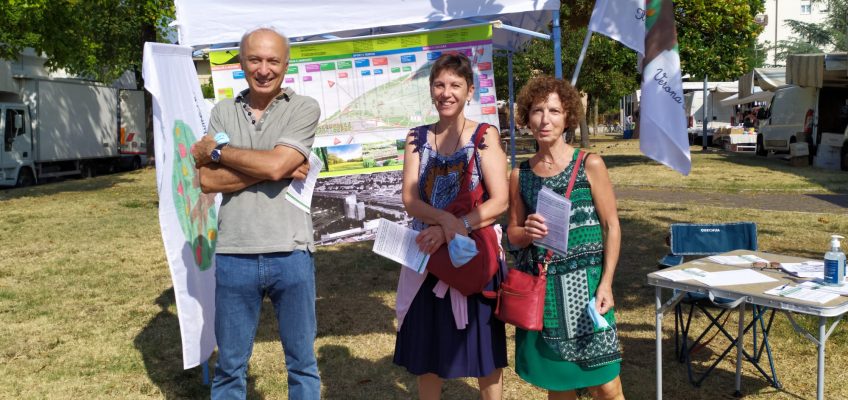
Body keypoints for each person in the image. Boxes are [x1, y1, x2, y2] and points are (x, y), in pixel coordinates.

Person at [190, 27, 321, 400]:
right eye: (254, 60)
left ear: (286, 64)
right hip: (234, 253)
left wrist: (218, 151)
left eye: (272, 61)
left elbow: (277, 166)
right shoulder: (222, 110)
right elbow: (207, 181)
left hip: (292, 251)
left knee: (301, 363)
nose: (263, 69)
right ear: (242, 62)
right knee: (230, 367)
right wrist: (270, 168)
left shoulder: (303, 107)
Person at [394, 53, 509, 400]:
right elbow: (411, 200)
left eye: (455, 85)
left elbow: (500, 202)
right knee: (428, 355)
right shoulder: (416, 138)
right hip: (428, 259)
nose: (447, 92)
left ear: (470, 91)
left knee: (484, 353)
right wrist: (444, 221)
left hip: (473, 258)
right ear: (431, 90)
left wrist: (451, 226)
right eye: (440, 84)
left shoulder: (485, 136)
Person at [506, 76, 624, 400]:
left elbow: (611, 226)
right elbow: (512, 235)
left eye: (554, 111)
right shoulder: (521, 175)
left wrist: (606, 283)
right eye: (537, 111)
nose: (545, 119)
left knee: (609, 387)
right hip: (546, 299)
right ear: (526, 118)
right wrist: (526, 233)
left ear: (568, 116)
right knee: (559, 389)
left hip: (587, 293)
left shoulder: (590, 164)